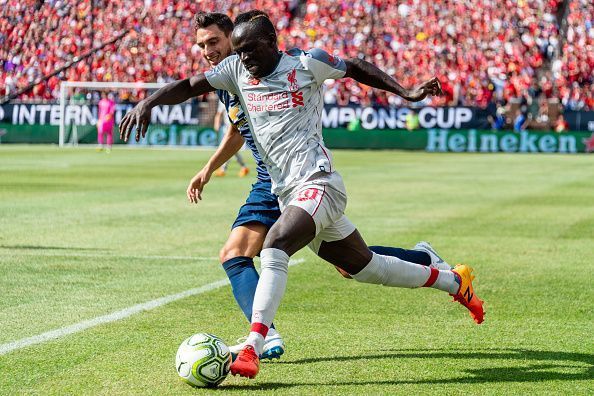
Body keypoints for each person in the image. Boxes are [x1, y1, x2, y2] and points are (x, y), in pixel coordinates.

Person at [120, 10, 484, 380]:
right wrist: (147, 102)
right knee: (364, 267)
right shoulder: (235, 71)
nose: (244, 60)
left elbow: (356, 67)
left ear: (271, 44)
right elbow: (188, 85)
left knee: (274, 245)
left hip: (320, 182)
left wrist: (405, 91)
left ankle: (254, 345)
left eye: (249, 51)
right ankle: (453, 281)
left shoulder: (308, 64)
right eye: (240, 53)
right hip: (286, 192)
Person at [183, 11, 451, 362]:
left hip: (300, 176)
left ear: (234, 38)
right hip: (272, 181)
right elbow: (238, 129)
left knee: (329, 260)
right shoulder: (229, 77)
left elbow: (345, 66)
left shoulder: (278, 64)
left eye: (214, 42)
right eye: (202, 45)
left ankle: (259, 338)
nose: (207, 50)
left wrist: (405, 91)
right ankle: (267, 334)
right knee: (243, 254)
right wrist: (208, 169)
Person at [213, 98, 250, 177]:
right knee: (230, 148)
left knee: (228, 147)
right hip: (227, 128)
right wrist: (217, 123)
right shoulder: (223, 99)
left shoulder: (236, 98)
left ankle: (224, 169)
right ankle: (243, 167)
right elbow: (219, 113)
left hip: (235, 127)